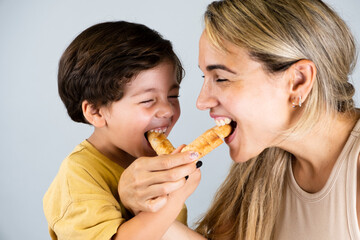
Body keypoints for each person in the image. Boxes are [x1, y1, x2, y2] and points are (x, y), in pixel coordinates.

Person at [120, 0, 360, 239]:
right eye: (206, 76)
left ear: (298, 81)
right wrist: (146, 208)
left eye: (221, 78)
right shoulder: (261, 164)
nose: (201, 102)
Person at [43, 20, 201, 240]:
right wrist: (174, 198)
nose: (167, 109)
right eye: (147, 100)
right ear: (97, 112)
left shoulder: (156, 165)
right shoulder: (79, 175)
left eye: (173, 96)